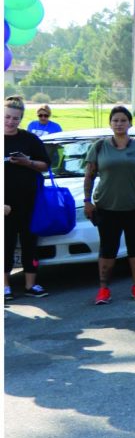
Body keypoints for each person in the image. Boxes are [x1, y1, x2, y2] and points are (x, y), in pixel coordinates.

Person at [84, 106, 135, 305]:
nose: (119, 124)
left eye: (123, 120)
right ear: (110, 123)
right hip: (107, 207)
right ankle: (104, 289)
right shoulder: (99, 147)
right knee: (107, 249)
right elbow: (89, 175)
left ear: (130, 123)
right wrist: (87, 201)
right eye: (115, 120)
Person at [4, 96, 51, 300]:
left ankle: (31, 285)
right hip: (4, 205)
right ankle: (5, 287)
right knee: (4, 245)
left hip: (30, 202)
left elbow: (45, 165)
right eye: (6, 117)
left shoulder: (30, 139)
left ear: (21, 118)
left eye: (15, 118)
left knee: (30, 243)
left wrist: (27, 162)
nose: (10, 121)